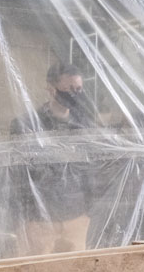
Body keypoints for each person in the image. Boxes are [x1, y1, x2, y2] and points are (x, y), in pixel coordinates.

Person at [10, 61, 97, 256]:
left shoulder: (85, 127)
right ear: (50, 88)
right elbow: (18, 176)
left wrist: (88, 212)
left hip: (76, 217)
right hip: (39, 220)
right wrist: (20, 220)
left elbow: (91, 171)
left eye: (78, 89)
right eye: (68, 89)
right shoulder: (26, 126)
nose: (74, 94)